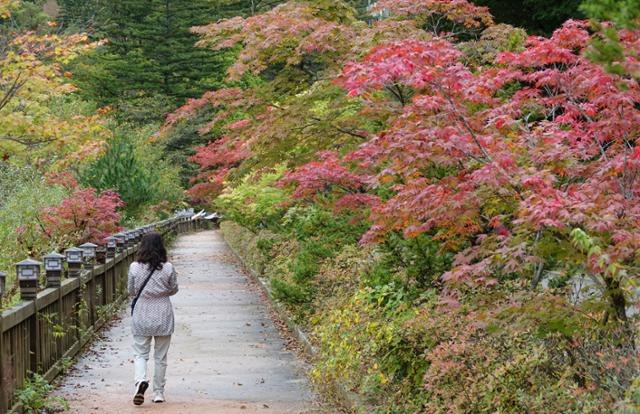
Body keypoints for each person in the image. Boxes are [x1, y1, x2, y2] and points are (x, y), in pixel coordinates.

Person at [127, 232, 178, 405]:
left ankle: (140, 381)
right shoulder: (168, 267)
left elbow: (132, 291)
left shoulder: (134, 267)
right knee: (160, 357)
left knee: (140, 353)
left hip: (142, 312)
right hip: (163, 312)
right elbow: (174, 289)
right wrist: (161, 292)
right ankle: (158, 393)